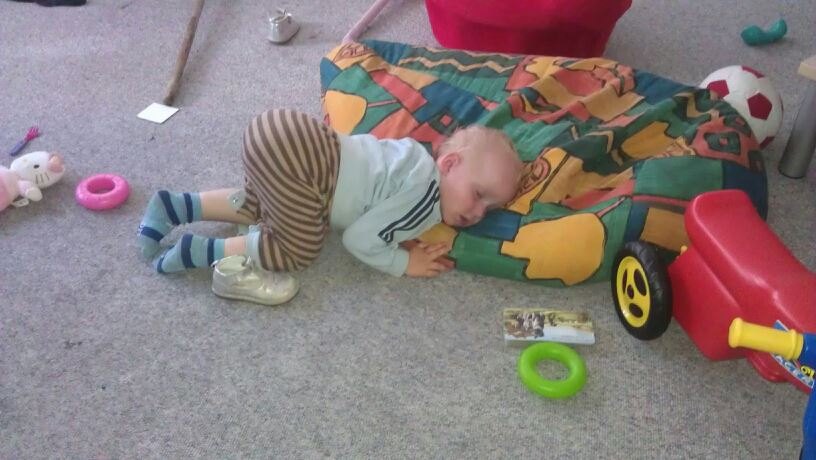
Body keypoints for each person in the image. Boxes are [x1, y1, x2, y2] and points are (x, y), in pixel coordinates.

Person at [137, 109, 522, 304]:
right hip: (313, 165)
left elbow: (378, 201)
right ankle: (200, 251)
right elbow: (359, 239)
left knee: (261, 203)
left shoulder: (413, 156)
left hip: (287, 130)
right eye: (478, 194)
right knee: (300, 247)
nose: (478, 213)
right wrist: (403, 262)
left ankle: (175, 206)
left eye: (489, 209)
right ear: (449, 165)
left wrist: (398, 236)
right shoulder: (426, 198)